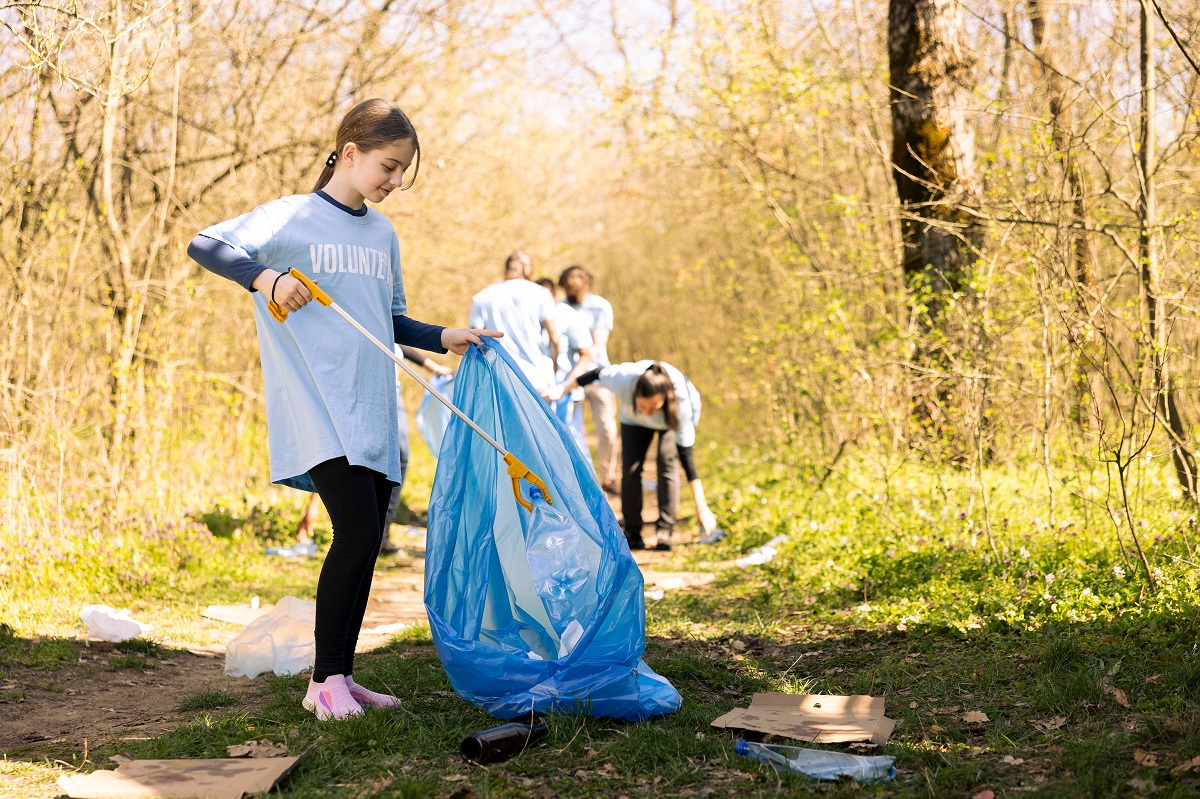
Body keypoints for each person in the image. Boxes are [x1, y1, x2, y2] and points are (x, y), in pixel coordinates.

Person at [187, 98, 501, 720]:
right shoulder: (294, 217)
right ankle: (320, 684)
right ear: (350, 153)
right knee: (354, 530)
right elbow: (206, 244)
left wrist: (443, 337)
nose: (393, 182)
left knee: (366, 539)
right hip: (316, 401)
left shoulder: (382, 233)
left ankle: (340, 675)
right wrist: (266, 279)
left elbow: (387, 318)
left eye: (402, 172)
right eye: (388, 166)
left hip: (372, 406)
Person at [293, 344, 452, 554]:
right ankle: (354, 527)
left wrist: (433, 366)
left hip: (391, 389)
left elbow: (398, 332)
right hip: (362, 387)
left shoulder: (387, 318)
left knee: (400, 457)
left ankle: (382, 534)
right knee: (349, 454)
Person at [543, 361, 718, 551]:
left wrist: (702, 508)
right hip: (631, 421)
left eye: (653, 408)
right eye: (643, 406)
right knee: (630, 469)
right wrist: (562, 389)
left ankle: (664, 530)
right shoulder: (623, 378)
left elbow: (687, 459)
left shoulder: (680, 403)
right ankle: (633, 532)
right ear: (634, 394)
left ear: (664, 400)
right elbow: (594, 374)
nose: (647, 414)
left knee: (667, 463)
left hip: (669, 420)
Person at [559, 266, 619, 494]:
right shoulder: (560, 308)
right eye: (567, 287)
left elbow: (597, 343)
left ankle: (607, 477)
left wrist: (584, 358)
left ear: (585, 284)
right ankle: (584, 482)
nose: (570, 290)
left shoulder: (600, 306)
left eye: (574, 286)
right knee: (572, 431)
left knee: (608, 430)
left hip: (597, 376)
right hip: (568, 379)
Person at [469, 253, 558, 390]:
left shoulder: (483, 296)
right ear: (526, 268)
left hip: (499, 377)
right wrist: (554, 367)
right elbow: (554, 338)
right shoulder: (541, 294)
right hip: (537, 377)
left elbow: (474, 339)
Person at [534, 277, 595, 451]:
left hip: (565, 394)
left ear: (553, 296)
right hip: (539, 394)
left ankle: (585, 479)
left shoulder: (567, 315)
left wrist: (565, 387)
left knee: (572, 445)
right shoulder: (528, 317)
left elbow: (586, 354)